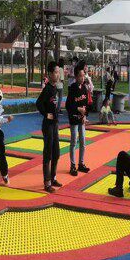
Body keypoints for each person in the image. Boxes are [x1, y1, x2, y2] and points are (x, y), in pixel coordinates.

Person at [36, 61, 62, 193]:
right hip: (48, 126)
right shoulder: (47, 89)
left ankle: (53, 178)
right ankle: (47, 183)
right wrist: (47, 114)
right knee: (48, 154)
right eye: (56, 72)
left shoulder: (55, 88)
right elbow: (38, 103)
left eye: (58, 72)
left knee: (56, 153)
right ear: (50, 74)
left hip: (55, 124)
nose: (58, 75)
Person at [66, 61, 91, 177]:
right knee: (73, 142)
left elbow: (86, 104)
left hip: (82, 120)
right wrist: (78, 109)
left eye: (83, 75)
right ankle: (72, 165)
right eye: (80, 76)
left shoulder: (84, 88)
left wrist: (85, 115)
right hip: (74, 120)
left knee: (83, 142)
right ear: (76, 77)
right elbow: (68, 105)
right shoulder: (72, 88)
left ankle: (81, 163)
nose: (82, 77)